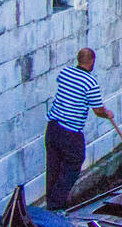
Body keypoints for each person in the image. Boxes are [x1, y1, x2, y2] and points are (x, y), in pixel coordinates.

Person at [44, 48, 114, 210]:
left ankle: (52, 206)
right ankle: (56, 205)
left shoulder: (65, 72)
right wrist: (108, 113)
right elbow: (98, 110)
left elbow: (72, 92)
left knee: (53, 167)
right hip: (70, 133)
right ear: (92, 62)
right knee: (74, 165)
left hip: (53, 128)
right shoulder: (91, 83)